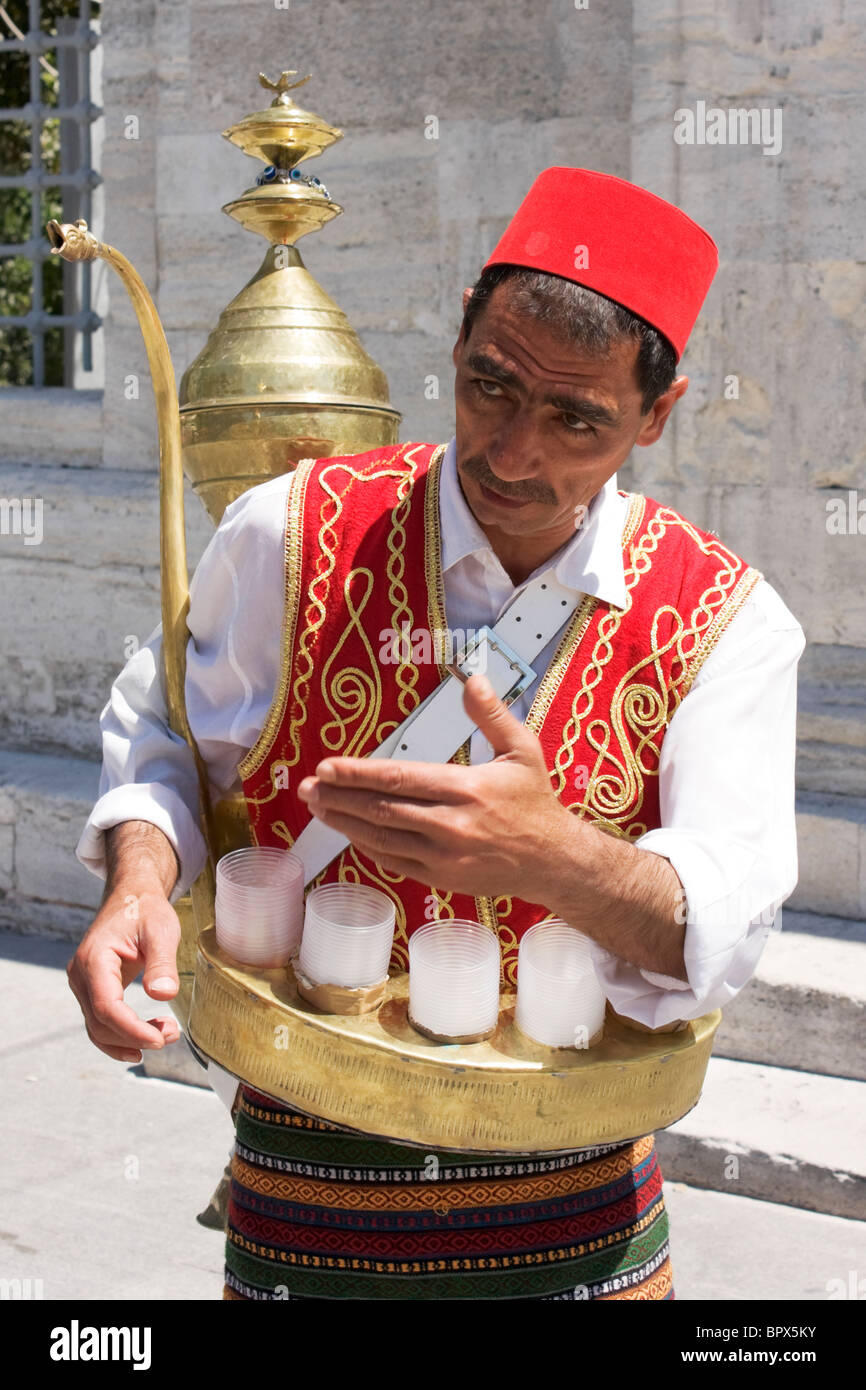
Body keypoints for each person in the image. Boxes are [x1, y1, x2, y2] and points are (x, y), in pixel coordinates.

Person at [69, 167, 804, 1300]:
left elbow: (720, 931)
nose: (511, 454)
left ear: (656, 414)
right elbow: (166, 730)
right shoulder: (288, 533)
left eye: (575, 420)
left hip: (578, 1229)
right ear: (460, 334)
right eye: (488, 387)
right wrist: (136, 880)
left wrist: (552, 858)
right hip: (305, 1211)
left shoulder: (723, 625)